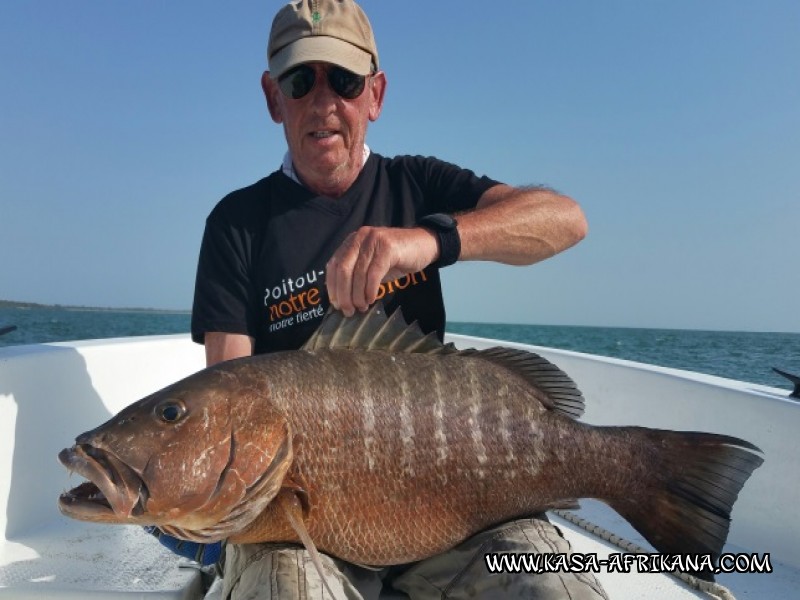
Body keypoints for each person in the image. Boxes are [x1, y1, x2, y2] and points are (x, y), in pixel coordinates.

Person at [188, 1, 604, 599]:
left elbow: (566, 220)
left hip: (456, 509)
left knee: (559, 589)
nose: (323, 102)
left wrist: (432, 239)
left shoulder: (418, 184)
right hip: (301, 532)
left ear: (375, 96)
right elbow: (225, 408)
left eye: (346, 80)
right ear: (274, 98)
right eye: (300, 80)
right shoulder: (237, 225)